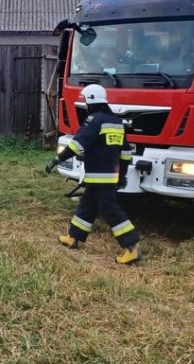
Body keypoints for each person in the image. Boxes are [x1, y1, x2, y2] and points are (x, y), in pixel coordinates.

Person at [47, 84, 141, 265]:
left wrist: (57, 160)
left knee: (111, 210)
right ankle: (74, 237)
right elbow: (126, 152)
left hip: (98, 175)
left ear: (90, 101)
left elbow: (77, 144)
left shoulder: (94, 120)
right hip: (109, 176)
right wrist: (121, 176)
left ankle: (131, 247)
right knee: (87, 206)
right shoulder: (116, 122)